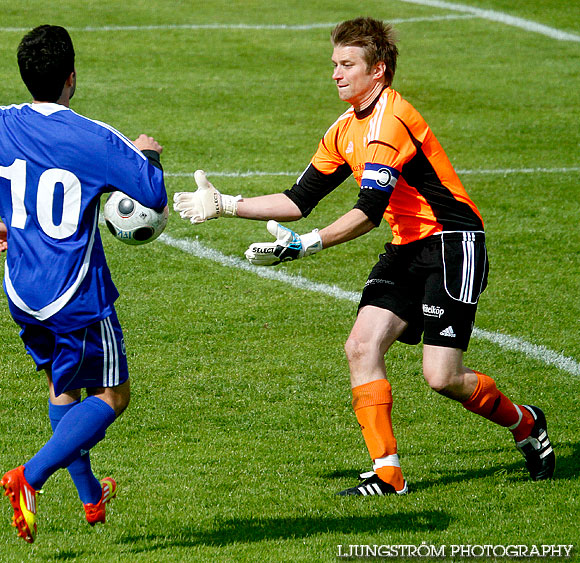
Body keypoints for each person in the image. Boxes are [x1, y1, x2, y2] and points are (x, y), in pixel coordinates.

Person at [173, 16, 554, 496]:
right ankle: (387, 473)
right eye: (334, 63)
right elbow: (298, 199)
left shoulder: (390, 123)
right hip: (406, 246)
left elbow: (366, 214)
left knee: (442, 376)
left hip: (452, 244)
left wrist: (306, 244)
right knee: (361, 346)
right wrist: (227, 205)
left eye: (347, 64)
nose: (335, 73)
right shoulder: (344, 127)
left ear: (378, 71)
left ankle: (525, 422)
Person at [0, 25, 167, 541]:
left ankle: (89, 498)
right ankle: (29, 477)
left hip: (22, 291)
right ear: (71, 78)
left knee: (63, 384)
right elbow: (152, 194)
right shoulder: (93, 136)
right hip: (77, 295)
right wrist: (147, 152)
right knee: (113, 395)